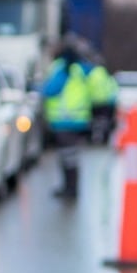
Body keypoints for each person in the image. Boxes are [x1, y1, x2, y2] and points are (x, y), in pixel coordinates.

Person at [40, 38, 92, 198]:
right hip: (79, 120)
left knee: (67, 157)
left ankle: (69, 189)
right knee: (72, 157)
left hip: (64, 121)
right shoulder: (80, 69)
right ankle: (71, 188)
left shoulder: (63, 69)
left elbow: (50, 90)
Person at [84, 55, 119, 145]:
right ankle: (104, 138)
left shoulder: (91, 75)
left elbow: (86, 87)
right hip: (105, 102)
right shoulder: (106, 75)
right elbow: (113, 88)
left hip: (93, 102)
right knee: (104, 122)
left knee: (93, 122)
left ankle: (93, 138)